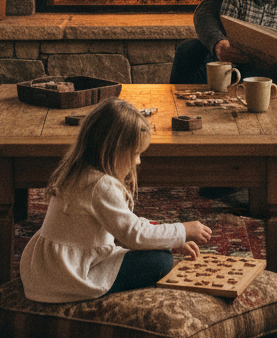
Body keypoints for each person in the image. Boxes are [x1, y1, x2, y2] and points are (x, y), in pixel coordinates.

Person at [19, 97, 213, 303]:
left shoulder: (77, 171)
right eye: (135, 153)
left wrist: (171, 240)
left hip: (45, 272)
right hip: (67, 277)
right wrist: (182, 231)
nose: (138, 161)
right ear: (113, 150)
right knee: (161, 260)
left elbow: (126, 225)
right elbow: (133, 235)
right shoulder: (101, 185)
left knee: (155, 247)